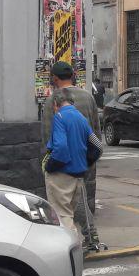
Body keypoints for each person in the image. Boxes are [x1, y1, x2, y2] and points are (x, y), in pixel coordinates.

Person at [41, 61, 100, 240]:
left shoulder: (53, 101)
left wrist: (49, 165)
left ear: (55, 78)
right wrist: (89, 160)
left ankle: (69, 245)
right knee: (81, 201)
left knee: (63, 208)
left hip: (61, 164)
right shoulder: (88, 97)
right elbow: (96, 132)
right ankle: (91, 235)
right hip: (85, 162)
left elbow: (47, 137)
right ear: (73, 76)